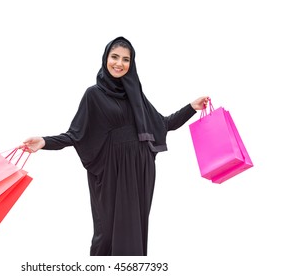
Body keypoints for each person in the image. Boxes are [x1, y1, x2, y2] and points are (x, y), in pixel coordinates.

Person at [20, 36, 209, 256]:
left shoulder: (135, 94)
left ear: (132, 63)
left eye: (126, 59)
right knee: (106, 232)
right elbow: (76, 133)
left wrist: (191, 107)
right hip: (111, 170)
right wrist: (45, 142)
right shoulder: (94, 94)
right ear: (106, 58)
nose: (119, 63)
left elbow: (163, 124)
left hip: (140, 168)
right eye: (115, 57)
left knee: (134, 229)